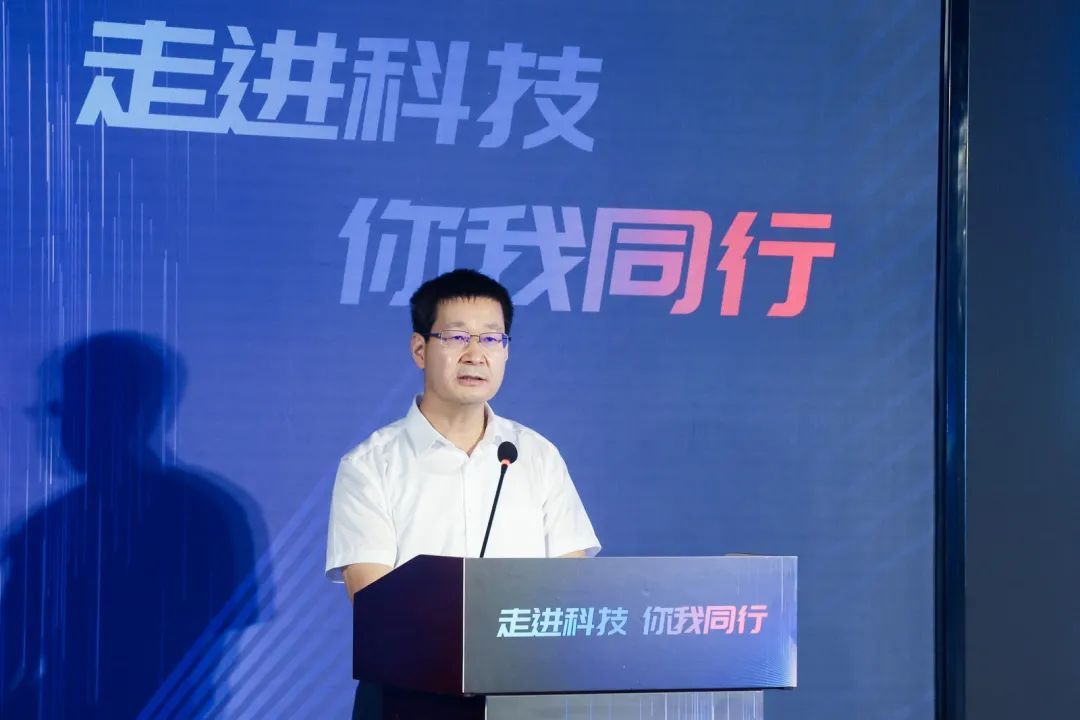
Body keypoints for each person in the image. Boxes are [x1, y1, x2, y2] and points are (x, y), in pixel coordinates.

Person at [325, 268, 600, 599]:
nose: (475, 355)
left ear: (506, 351)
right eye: (456, 338)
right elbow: (375, 602)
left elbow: (572, 591)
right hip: (417, 636)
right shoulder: (369, 467)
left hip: (519, 635)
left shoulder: (537, 456)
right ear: (420, 350)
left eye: (491, 339)